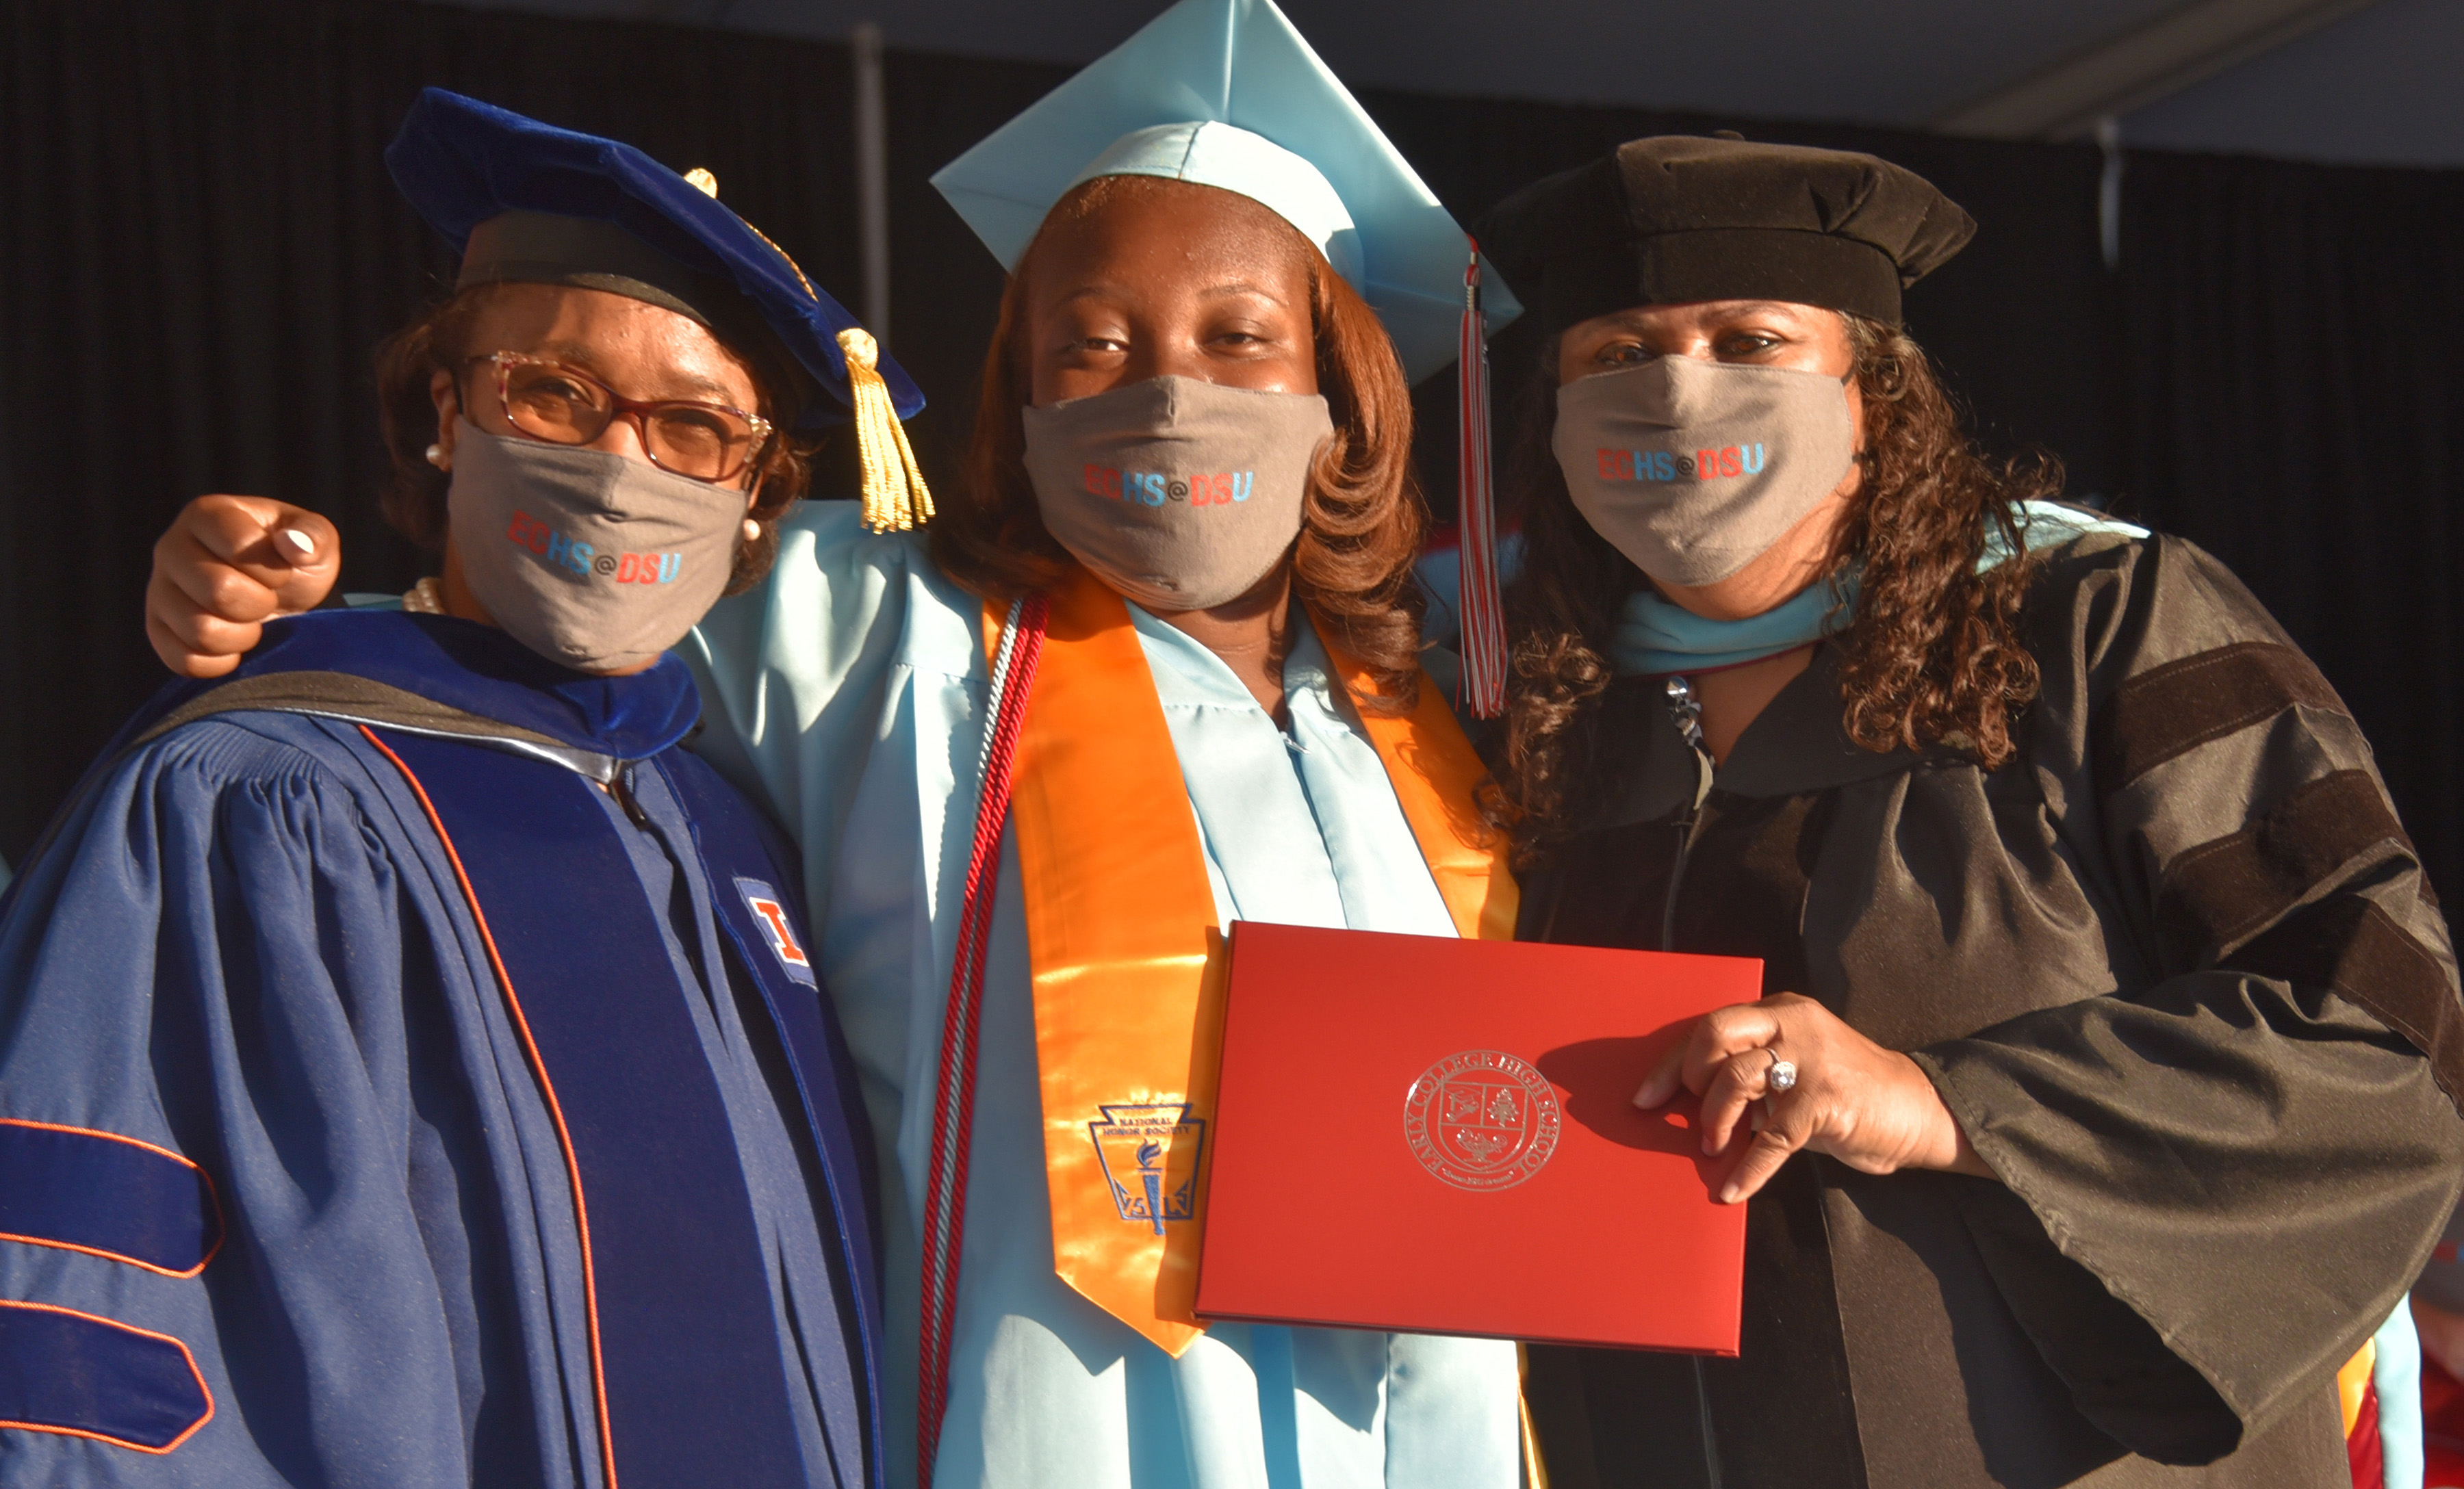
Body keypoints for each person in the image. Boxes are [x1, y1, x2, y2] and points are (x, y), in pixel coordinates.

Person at [136, 3, 1529, 1486]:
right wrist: (278, 598)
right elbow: (537, 607)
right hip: (1012, 1424)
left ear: (1339, 390)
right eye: (1090, 343)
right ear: (1023, 386)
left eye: (1238, 338)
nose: (1162, 387)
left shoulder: (1424, 727)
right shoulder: (870, 627)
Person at [1465, 134, 2464, 1487]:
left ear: (1873, 391)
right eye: (1618, 354)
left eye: (1751, 339)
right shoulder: (1526, 707)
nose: (1676, 392)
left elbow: (2377, 1028)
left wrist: (1939, 1101)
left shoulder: (2102, 625)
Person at [0, 91, 903, 1486]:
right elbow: (107, 1316)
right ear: (446, 411)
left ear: (756, 498)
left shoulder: (724, 826)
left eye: (694, 429)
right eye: (554, 391)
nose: (619, 464)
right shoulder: (255, 798)